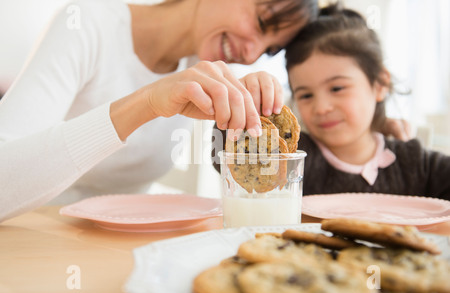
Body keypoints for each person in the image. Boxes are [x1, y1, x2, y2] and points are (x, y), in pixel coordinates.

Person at [0, 0, 319, 222]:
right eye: (262, 22)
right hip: (35, 239)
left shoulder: (204, 72)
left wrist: (248, 119)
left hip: (121, 246)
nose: (252, 53)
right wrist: (145, 104)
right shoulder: (85, 24)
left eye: (269, 48)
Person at [285, 4, 450, 199]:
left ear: (380, 84)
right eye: (305, 95)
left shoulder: (414, 163)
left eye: (337, 88)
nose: (321, 108)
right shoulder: (292, 159)